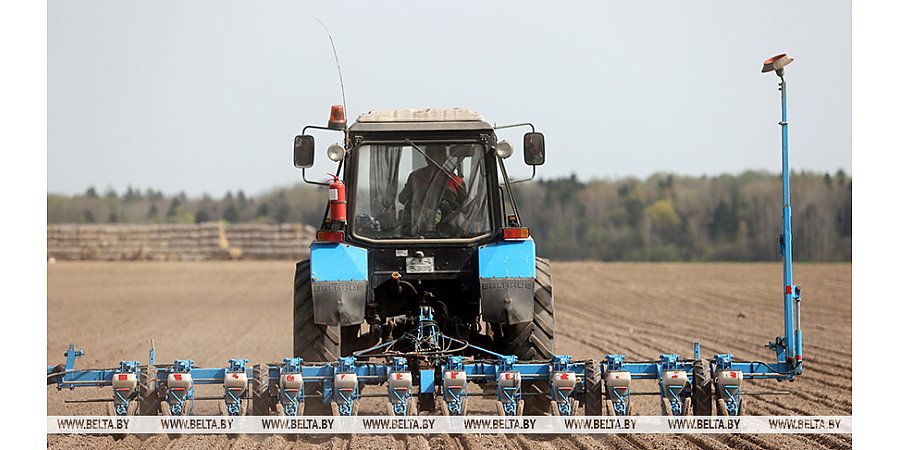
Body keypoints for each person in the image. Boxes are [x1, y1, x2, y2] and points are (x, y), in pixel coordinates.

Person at [398, 145, 466, 235]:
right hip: (416, 230)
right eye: (431, 154)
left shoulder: (456, 181)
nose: (435, 158)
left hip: (447, 234)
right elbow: (403, 199)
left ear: (445, 157)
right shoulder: (415, 177)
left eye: (439, 154)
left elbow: (464, 207)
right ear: (426, 156)